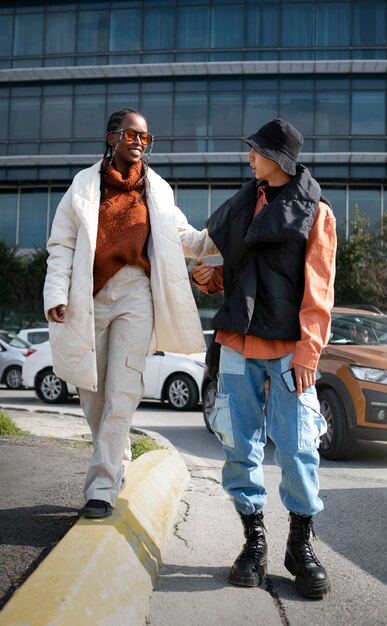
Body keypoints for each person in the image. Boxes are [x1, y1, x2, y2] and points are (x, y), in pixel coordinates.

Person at [43, 108, 217, 519]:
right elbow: (62, 244)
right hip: (90, 294)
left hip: (137, 293)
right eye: (131, 135)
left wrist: (227, 231)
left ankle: (101, 487)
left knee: (124, 389)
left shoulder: (157, 189)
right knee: (92, 393)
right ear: (111, 138)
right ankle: (115, 455)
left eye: (145, 137)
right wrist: (56, 290)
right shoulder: (84, 185)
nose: (139, 142)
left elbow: (184, 237)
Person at [192, 118, 337, 600]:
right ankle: (254, 544)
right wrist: (210, 279)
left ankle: (301, 544)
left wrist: (308, 350)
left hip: (289, 350)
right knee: (240, 446)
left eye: (256, 150)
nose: (248, 156)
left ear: (279, 160)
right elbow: (243, 272)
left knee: (297, 448)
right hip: (236, 343)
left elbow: (319, 291)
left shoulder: (316, 213)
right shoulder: (242, 204)